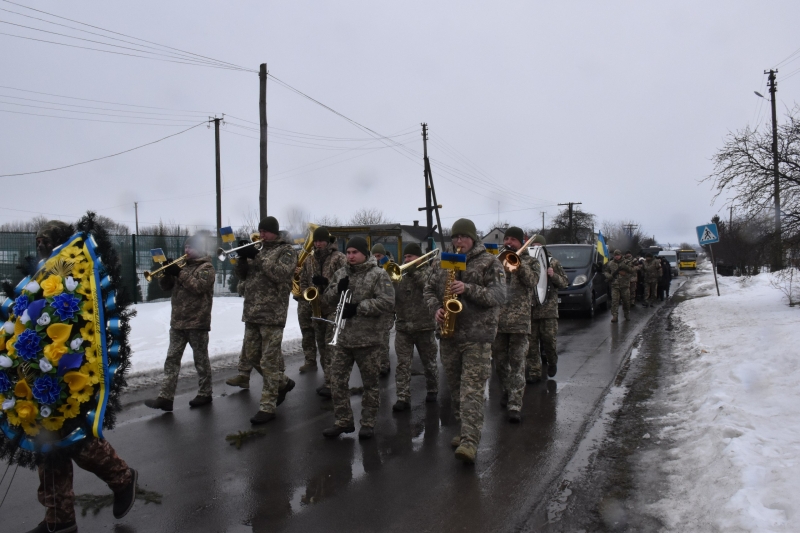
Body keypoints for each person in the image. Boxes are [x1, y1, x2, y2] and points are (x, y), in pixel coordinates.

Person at [25, 221, 137, 533]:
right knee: (48, 445)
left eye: (46, 243)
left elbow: (80, 319)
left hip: (71, 370)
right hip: (41, 373)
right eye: (38, 243)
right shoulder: (40, 276)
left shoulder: (76, 274)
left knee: (75, 440)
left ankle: (122, 477)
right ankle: (59, 519)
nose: (41, 249)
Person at [423, 218, 505, 464]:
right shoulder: (442, 262)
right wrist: (435, 307)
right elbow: (428, 289)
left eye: (464, 237)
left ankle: (470, 441)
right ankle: (464, 430)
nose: (459, 242)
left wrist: (467, 289)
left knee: (472, 390)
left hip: (477, 336)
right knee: (457, 389)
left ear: (473, 238)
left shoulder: (490, 262)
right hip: (449, 336)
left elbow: (499, 295)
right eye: (455, 237)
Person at [321, 237, 394, 440]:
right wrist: (337, 289)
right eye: (348, 252)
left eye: (355, 252)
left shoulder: (378, 275)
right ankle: (343, 421)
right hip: (343, 338)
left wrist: (359, 308)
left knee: (370, 384)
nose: (351, 256)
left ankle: (368, 423)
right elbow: (326, 300)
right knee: (336, 381)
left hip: (368, 340)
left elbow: (387, 302)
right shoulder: (340, 273)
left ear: (364, 253)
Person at [235, 217, 298, 424]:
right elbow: (243, 278)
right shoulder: (258, 249)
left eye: (265, 231)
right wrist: (242, 259)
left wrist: (257, 257)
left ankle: (267, 406)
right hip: (252, 313)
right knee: (252, 356)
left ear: (275, 232)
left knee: (268, 361)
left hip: (273, 314)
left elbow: (280, 274)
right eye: (260, 230)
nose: (261, 235)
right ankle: (283, 382)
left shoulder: (286, 251)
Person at [145, 235, 215, 411]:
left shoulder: (206, 267)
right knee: (172, 360)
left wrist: (179, 272)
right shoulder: (182, 266)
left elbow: (198, 287)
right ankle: (165, 397)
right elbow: (165, 287)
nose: (186, 251)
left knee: (200, 360)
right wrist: (166, 272)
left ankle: (205, 393)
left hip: (197, 322)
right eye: (185, 247)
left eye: (191, 248)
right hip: (178, 322)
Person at [492, 227, 539, 423]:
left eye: (513, 240)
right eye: (507, 239)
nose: (509, 242)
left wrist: (518, 263)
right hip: (499, 321)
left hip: (520, 323)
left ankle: (515, 405)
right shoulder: (497, 260)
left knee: (518, 364)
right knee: (501, 364)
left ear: (521, 242)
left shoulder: (531, 261)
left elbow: (532, 281)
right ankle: (507, 390)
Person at [298, 227, 347, 397]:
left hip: (334, 307)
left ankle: (333, 383)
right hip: (317, 308)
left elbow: (345, 280)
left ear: (328, 241)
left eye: (321, 241)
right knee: (322, 347)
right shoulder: (309, 260)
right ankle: (329, 380)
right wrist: (307, 295)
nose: (318, 244)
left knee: (331, 346)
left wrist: (326, 282)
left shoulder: (339, 258)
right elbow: (303, 280)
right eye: (316, 241)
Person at [391, 242, 439, 412]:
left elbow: (429, 288)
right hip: (404, 327)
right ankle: (403, 397)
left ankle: (432, 389)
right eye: (405, 257)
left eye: (410, 257)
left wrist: (415, 273)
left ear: (419, 258)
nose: (406, 259)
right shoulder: (401, 274)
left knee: (429, 363)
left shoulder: (429, 272)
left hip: (424, 326)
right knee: (402, 365)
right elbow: (394, 297)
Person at [527, 235, 568, 382]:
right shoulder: (528, 262)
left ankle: (552, 362)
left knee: (549, 341)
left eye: (538, 245)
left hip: (548, 311)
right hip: (531, 310)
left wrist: (553, 275)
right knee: (531, 344)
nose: (536, 248)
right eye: (533, 245)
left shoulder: (553, 262)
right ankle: (534, 372)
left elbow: (564, 282)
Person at [371, 242, 393, 376]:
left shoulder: (390, 266)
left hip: (385, 309)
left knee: (383, 338)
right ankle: (375, 363)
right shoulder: (371, 267)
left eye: (379, 255)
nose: (377, 258)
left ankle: (384, 364)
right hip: (373, 306)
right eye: (374, 256)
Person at [604, 249, 633, 323]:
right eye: (615, 255)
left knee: (626, 301)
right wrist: (609, 276)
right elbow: (606, 271)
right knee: (614, 301)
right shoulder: (610, 263)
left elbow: (631, 270)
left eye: (618, 255)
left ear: (621, 255)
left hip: (625, 285)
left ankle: (627, 314)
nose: (617, 257)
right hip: (615, 285)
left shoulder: (627, 262)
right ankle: (614, 316)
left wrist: (625, 267)